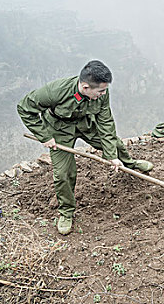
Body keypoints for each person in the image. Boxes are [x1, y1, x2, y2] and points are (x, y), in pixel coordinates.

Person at [17, 60, 153, 235]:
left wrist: (111, 155)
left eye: (105, 90)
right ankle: (66, 212)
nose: (104, 93)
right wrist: (44, 135)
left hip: (86, 123)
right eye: (101, 91)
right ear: (86, 87)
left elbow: (105, 122)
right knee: (63, 173)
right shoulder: (54, 92)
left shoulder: (102, 93)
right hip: (60, 129)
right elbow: (24, 108)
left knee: (116, 144)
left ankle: (130, 164)